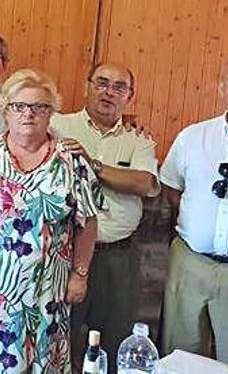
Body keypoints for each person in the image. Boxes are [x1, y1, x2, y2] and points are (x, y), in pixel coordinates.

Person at [0, 68, 102, 373]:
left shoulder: (72, 161)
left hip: (49, 291)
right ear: (6, 112)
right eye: (19, 106)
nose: (28, 114)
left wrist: (80, 275)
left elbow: (89, 223)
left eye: (39, 107)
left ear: (51, 113)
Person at [159, 54, 228, 374]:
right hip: (190, 265)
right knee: (178, 358)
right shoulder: (191, 138)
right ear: (221, 87)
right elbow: (171, 189)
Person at [52, 64, 160, 362]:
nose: (108, 92)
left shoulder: (139, 139)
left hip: (118, 257)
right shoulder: (57, 125)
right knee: (63, 337)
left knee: (114, 341)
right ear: (88, 86)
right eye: (101, 83)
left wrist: (92, 164)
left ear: (130, 95)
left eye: (119, 87)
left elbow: (144, 182)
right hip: (66, 253)